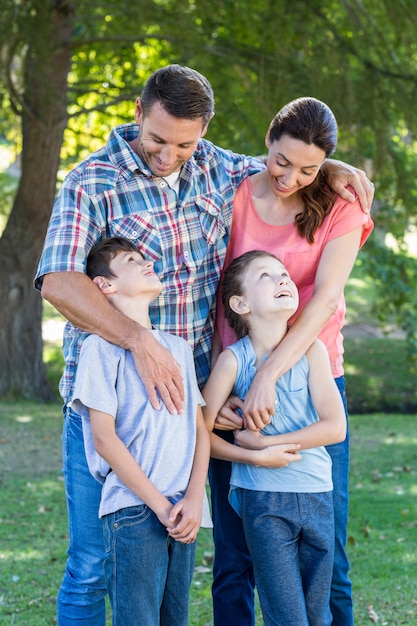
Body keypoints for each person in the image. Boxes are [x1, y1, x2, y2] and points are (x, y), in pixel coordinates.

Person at [34, 64, 374, 625]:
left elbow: (280, 168)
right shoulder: (91, 181)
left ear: (205, 133)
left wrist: (329, 167)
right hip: (112, 401)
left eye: (184, 144)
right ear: (138, 113)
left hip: (186, 401)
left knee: (174, 552)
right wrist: (139, 342)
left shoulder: (218, 167)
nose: (168, 156)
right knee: (94, 562)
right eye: (158, 140)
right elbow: (58, 281)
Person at [210, 97, 374, 626]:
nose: (292, 178)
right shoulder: (233, 192)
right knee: (236, 552)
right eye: (283, 162)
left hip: (313, 379)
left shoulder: (341, 206)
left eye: (310, 169)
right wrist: (234, 386)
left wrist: (271, 377)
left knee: (326, 551)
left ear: (325, 163)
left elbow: (325, 299)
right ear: (266, 142)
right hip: (234, 381)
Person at [70, 236, 210, 625]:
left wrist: (195, 499)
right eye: (132, 260)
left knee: (174, 619)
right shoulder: (98, 349)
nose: (147, 263)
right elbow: (104, 439)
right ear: (105, 285)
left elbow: (200, 430)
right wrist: (160, 506)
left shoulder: (178, 349)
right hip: (133, 511)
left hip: (183, 512)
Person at [203, 250, 347, 625]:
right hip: (263, 501)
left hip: (317, 493)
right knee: (287, 615)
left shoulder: (313, 351)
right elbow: (202, 434)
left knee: (318, 614)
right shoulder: (233, 361)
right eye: (266, 275)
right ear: (240, 303)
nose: (283, 279)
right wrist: (254, 458)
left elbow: (336, 427)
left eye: (284, 273)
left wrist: (264, 444)